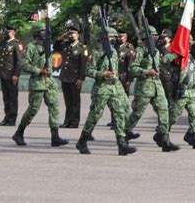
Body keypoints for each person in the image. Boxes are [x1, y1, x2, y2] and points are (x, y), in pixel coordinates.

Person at [75, 27, 136, 155]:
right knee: (95, 115)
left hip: (115, 86)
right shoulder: (96, 52)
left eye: (114, 37)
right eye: (111, 37)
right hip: (102, 87)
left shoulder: (114, 52)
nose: (113, 40)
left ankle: (122, 144)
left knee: (119, 114)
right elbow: (89, 70)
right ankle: (82, 140)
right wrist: (102, 74)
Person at [12, 22, 68, 147]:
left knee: (54, 107)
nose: (45, 33)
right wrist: (39, 70)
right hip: (37, 83)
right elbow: (24, 64)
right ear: (37, 33)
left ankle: (55, 137)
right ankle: (19, 133)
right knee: (33, 109)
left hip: (49, 82)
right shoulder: (31, 47)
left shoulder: (48, 45)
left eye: (46, 31)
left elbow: (58, 46)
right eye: (42, 31)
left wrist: (62, 38)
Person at [124, 25, 180, 152]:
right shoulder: (139, 50)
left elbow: (162, 61)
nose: (155, 37)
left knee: (164, 110)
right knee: (137, 113)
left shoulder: (156, 50)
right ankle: (124, 134)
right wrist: (146, 71)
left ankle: (164, 138)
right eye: (153, 35)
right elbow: (132, 69)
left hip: (157, 85)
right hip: (144, 86)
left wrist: (176, 54)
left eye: (156, 35)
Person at [167, 38, 195, 149]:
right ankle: (162, 134)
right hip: (181, 90)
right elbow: (165, 62)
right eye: (187, 43)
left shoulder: (191, 56)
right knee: (173, 116)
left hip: (192, 91)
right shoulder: (177, 57)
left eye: (190, 43)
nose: (189, 45)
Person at [0, 25, 23, 126]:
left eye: (8, 32)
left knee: (12, 98)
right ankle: (7, 118)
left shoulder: (16, 44)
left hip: (12, 75)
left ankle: (12, 119)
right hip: (3, 74)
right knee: (6, 98)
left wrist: (16, 75)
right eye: (5, 32)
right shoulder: (3, 43)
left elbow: (19, 61)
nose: (6, 33)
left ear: (13, 32)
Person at [54, 24, 87, 128]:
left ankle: (74, 122)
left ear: (78, 35)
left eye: (73, 33)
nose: (71, 35)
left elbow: (84, 65)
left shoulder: (82, 48)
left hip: (75, 78)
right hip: (65, 77)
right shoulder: (66, 45)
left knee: (75, 101)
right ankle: (67, 121)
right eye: (70, 33)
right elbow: (55, 46)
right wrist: (62, 36)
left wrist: (81, 79)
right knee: (68, 101)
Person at [117, 31, 135, 96]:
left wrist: (129, 80)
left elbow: (131, 64)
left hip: (124, 77)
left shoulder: (129, 48)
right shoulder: (115, 47)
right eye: (119, 37)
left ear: (126, 38)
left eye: (121, 37)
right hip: (115, 75)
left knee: (123, 96)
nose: (120, 38)